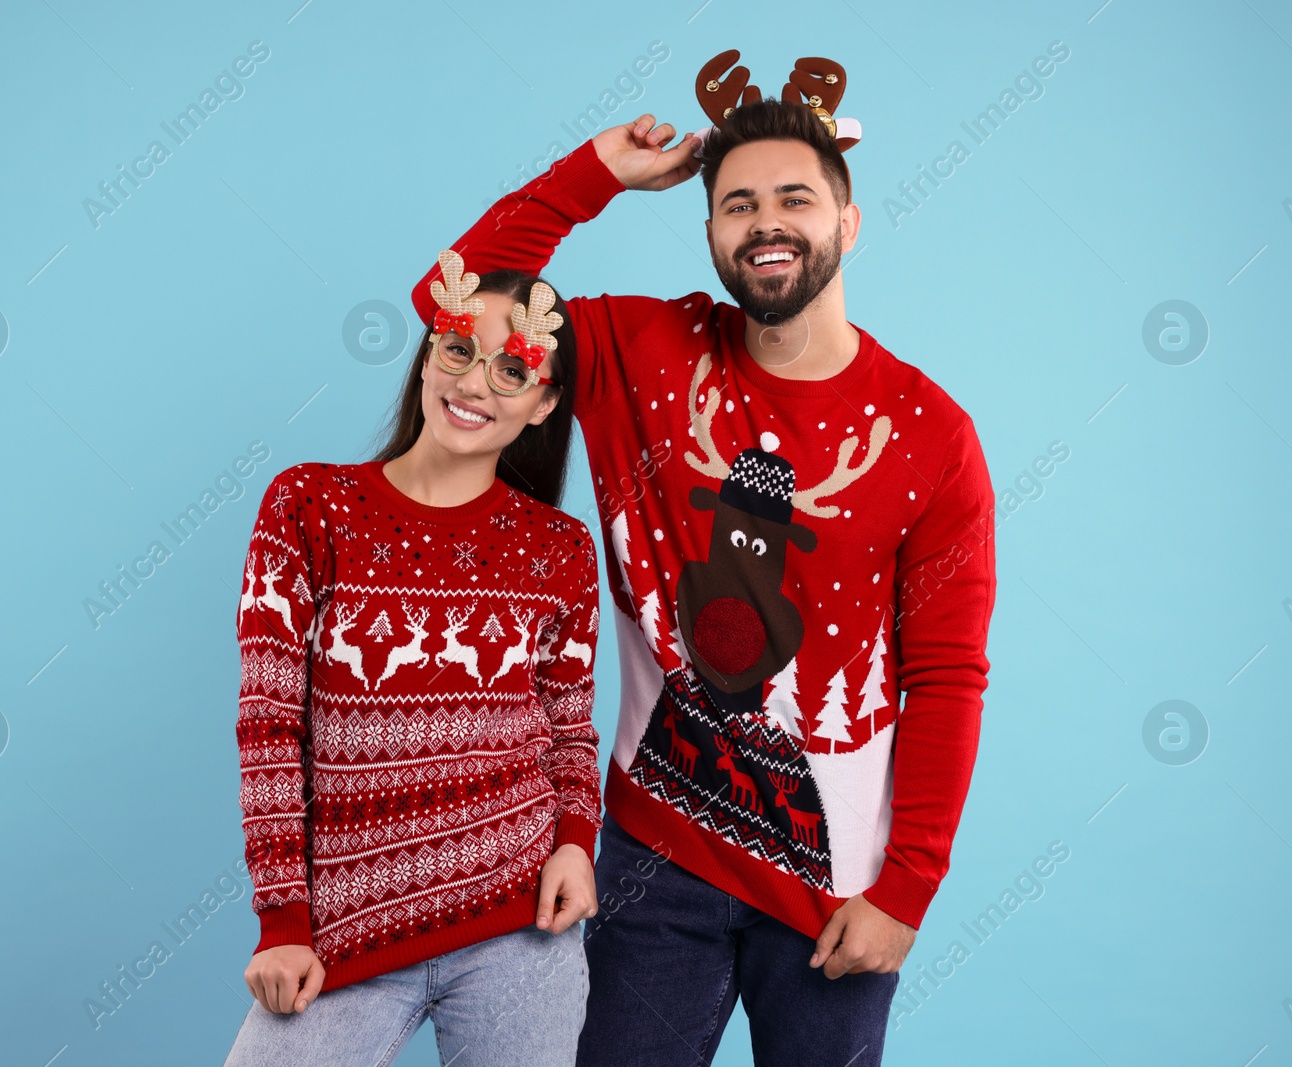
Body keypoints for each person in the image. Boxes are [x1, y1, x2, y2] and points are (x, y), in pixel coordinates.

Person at [408, 50, 998, 1066]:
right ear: (711, 230)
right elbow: (452, 304)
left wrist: (905, 888)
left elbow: (945, 674)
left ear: (847, 223)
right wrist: (595, 170)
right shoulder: (643, 348)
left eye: (794, 199)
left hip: (837, 884)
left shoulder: (931, 434)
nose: (766, 221)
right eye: (737, 204)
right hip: (651, 857)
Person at [223, 251, 604, 1067]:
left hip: (520, 922)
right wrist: (283, 922)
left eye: (514, 370)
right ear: (429, 350)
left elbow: (571, 729)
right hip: (342, 936)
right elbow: (268, 727)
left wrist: (575, 840)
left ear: (544, 404)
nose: (474, 384)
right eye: (459, 349)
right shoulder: (308, 507)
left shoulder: (562, 550)